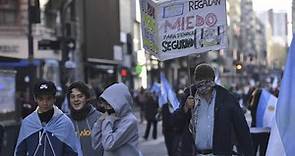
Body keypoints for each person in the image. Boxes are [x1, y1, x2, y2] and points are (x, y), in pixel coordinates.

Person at [172, 63, 254, 155]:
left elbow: (242, 130)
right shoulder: (189, 96)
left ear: (212, 81)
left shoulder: (226, 98)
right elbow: (176, 125)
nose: (203, 86)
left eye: (206, 82)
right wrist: (185, 108)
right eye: (200, 81)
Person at [14, 80, 81, 156]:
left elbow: (73, 152)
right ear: (35, 99)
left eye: (48, 98)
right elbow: (19, 152)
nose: (45, 103)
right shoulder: (28, 123)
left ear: (54, 99)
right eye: (41, 99)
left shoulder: (65, 123)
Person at [92, 83, 141, 156]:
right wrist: (99, 122)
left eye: (108, 103)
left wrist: (107, 120)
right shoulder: (111, 117)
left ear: (119, 102)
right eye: (104, 103)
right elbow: (96, 144)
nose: (105, 107)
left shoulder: (130, 121)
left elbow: (108, 144)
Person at [67, 81, 103, 156]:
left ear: (87, 98)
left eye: (80, 96)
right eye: (72, 97)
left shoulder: (100, 118)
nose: (76, 99)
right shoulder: (64, 120)